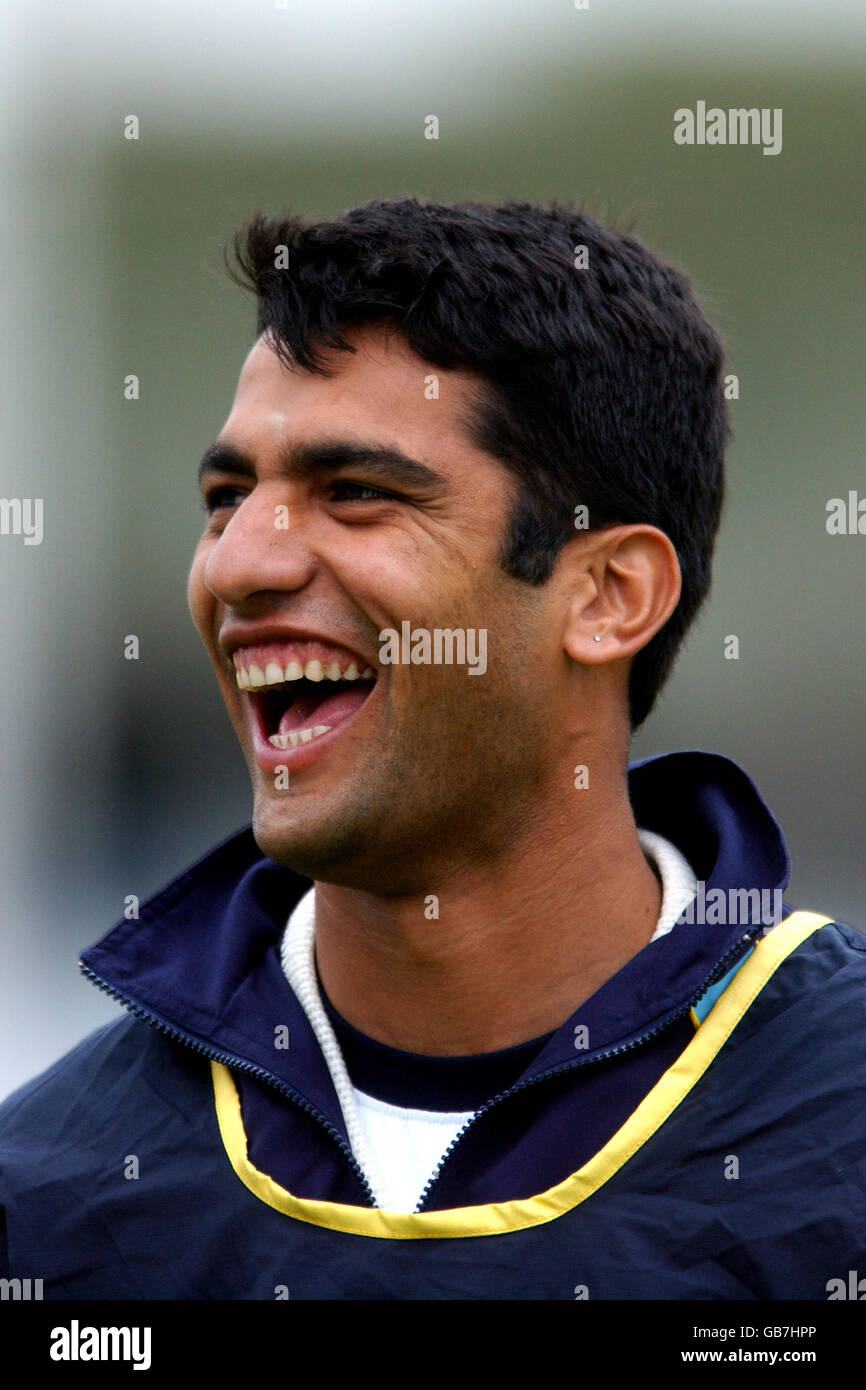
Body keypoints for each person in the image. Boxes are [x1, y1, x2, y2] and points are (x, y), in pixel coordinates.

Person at [1, 197, 863, 1301]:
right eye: (227, 497)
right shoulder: (48, 1199)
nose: (238, 565)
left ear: (606, 594)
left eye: (354, 493)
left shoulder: (837, 1135)